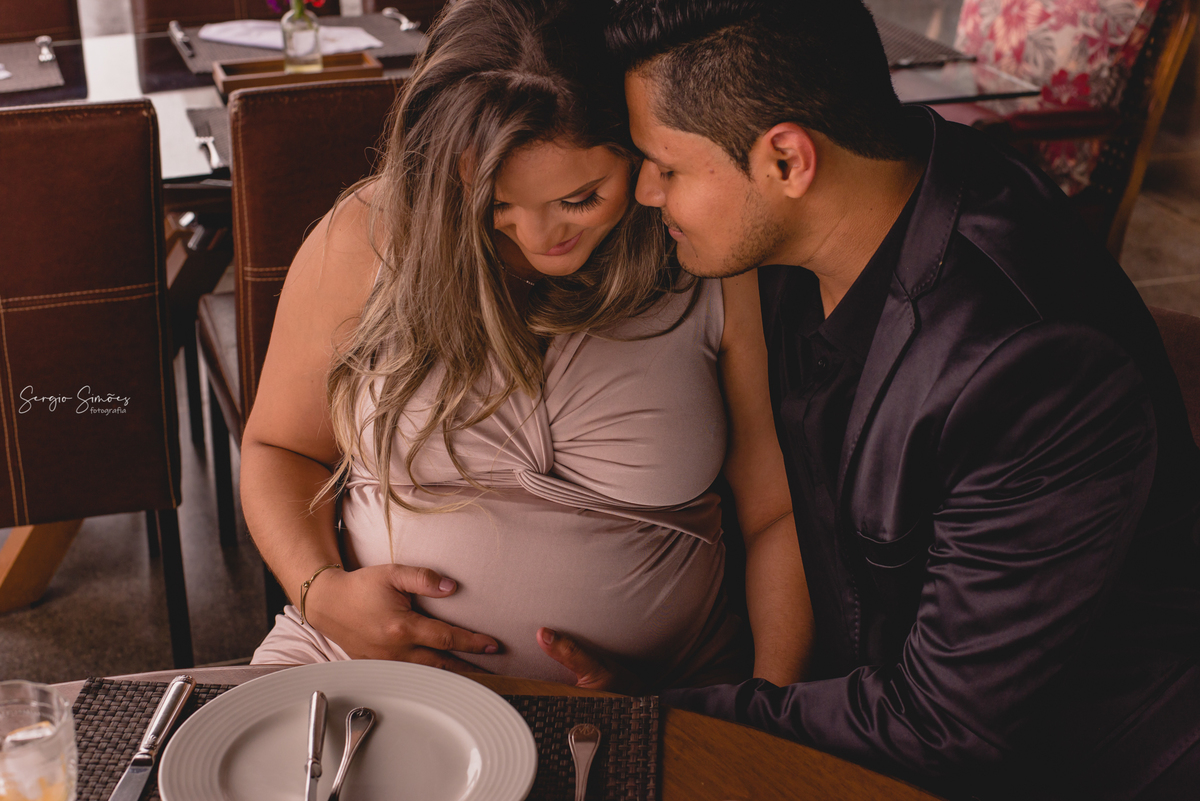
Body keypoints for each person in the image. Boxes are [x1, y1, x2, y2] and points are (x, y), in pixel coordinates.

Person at [542, 1, 1200, 798]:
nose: (646, 192)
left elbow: (944, 727)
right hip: (875, 711)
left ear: (787, 160)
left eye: (668, 168)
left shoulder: (1033, 368)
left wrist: (653, 718)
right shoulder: (829, 214)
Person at [240, 0, 811, 692]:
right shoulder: (367, 236)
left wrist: (766, 717)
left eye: (579, 199)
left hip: (668, 691)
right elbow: (277, 449)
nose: (541, 238)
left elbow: (779, 511)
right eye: (495, 206)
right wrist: (321, 591)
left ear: (637, 147)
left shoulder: (704, 252)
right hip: (354, 664)